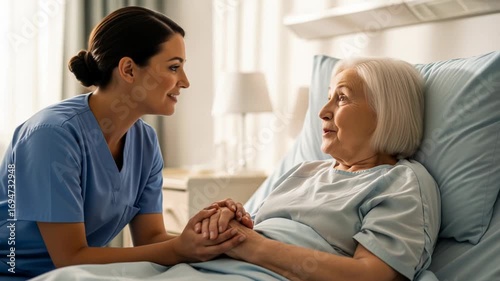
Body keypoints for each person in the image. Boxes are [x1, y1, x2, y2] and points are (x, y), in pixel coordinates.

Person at [0, 6, 251, 279]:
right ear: (129, 70)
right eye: (174, 67)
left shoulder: (145, 141)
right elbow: (69, 257)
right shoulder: (51, 135)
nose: (185, 82)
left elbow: (151, 238)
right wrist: (180, 249)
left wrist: (211, 233)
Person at [205, 57, 441, 281]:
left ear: (386, 113)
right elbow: (253, 231)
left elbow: (369, 275)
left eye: (341, 98)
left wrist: (248, 245)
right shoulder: (305, 171)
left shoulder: (400, 182)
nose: (322, 112)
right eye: (329, 97)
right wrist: (225, 222)